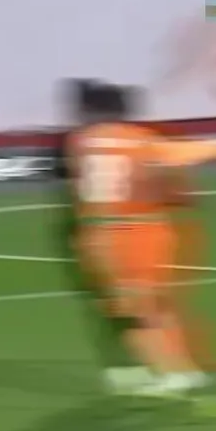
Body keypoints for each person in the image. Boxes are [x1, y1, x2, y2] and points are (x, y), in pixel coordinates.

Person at [66, 83, 216, 408]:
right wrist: (180, 198)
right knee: (157, 304)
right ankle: (187, 370)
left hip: (111, 231)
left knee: (133, 309)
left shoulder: (82, 140)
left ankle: (172, 375)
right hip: (154, 229)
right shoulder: (144, 139)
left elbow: (84, 187)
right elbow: (176, 186)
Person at [53, 81, 152, 397]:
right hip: (102, 234)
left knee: (117, 306)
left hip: (92, 233)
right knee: (121, 306)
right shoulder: (96, 144)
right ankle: (128, 371)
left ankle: (126, 370)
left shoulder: (78, 142)